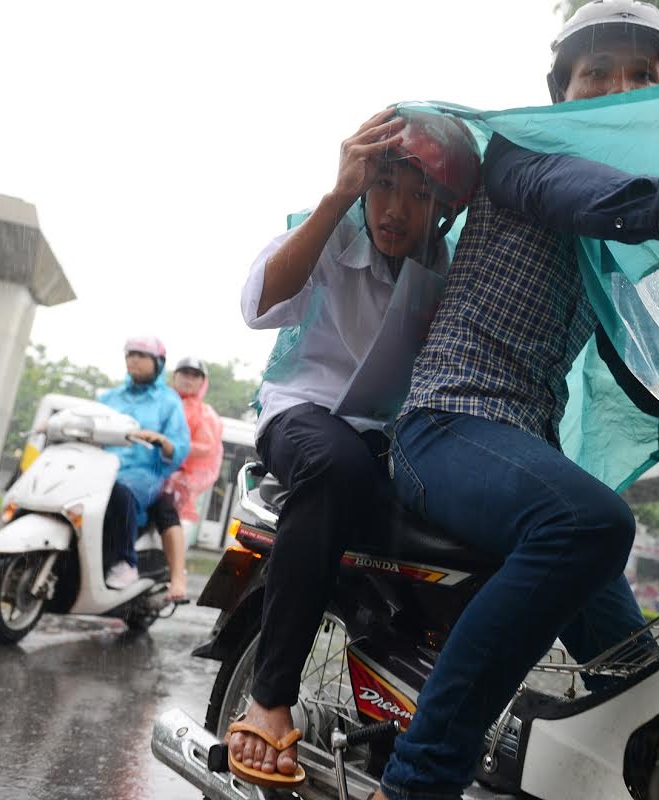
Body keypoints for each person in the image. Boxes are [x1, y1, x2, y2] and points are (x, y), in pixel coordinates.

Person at [375, 3, 659, 798]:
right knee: (591, 523)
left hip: (517, 451)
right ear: (559, 91)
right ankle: (417, 781)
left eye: (640, 77)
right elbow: (568, 189)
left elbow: (628, 353)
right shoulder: (522, 154)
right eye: (596, 74)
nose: (616, 91)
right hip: (442, 429)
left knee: (642, 683)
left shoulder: (603, 228)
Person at [225, 108, 482, 788]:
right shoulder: (331, 232)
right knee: (336, 467)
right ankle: (269, 697)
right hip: (303, 416)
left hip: (390, 442)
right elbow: (258, 303)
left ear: (446, 209)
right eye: (384, 185)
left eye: (421, 194)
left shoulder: (448, 269)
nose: (397, 210)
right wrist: (336, 197)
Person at [97, 336, 192, 589]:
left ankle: (124, 562)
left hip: (144, 473)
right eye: (130, 354)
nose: (134, 360)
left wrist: (162, 440)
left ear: (158, 363)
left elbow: (181, 447)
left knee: (120, 491)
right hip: (101, 467)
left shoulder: (168, 401)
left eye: (141, 355)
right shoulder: (110, 397)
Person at [145, 356, 224, 602]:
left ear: (202, 382)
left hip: (175, 479)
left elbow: (206, 447)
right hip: (140, 470)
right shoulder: (156, 400)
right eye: (184, 373)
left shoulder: (205, 415)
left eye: (195, 375)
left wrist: (171, 446)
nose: (189, 379)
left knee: (164, 508)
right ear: (174, 376)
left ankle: (177, 578)